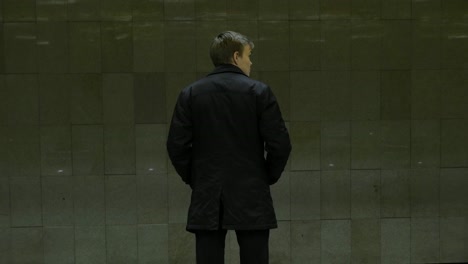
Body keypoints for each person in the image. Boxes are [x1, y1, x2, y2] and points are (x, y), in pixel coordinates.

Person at [166, 31, 291, 264]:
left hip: (208, 193)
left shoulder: (191, 94)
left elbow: (176, 145)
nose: (251, 62)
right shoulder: (259, 92)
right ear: (236, 57)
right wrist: (266, 176)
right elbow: (280, 144)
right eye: (249, 55)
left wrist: (196, 177)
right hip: (252, 192)